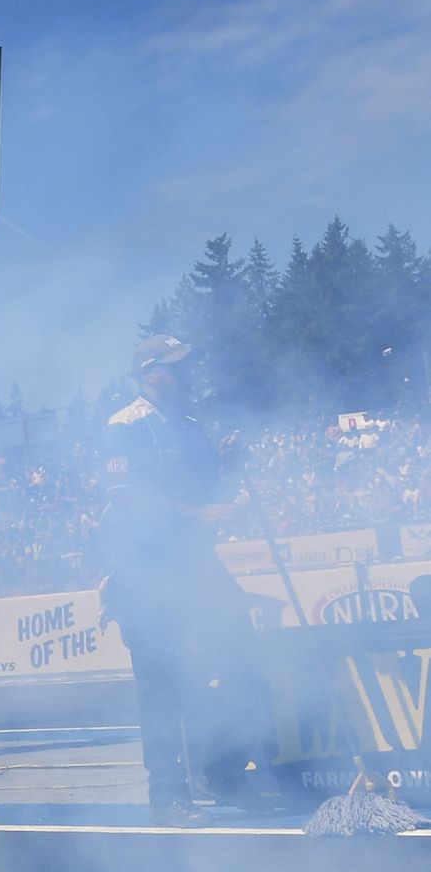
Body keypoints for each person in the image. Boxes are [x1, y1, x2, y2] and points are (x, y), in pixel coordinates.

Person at [101, 334, 280, 825]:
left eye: (189, 366)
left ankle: (223, 772)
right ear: (150, 372)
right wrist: (196, 513)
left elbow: (213, 496)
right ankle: (168, 795)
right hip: (146, 569)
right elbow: (126, 497)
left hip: (197, 566)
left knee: (245, 660)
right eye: (178, 367)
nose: (188, 374)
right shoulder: (125, 426)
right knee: (162, 684)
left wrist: (227, 467)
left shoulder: (192, 427)